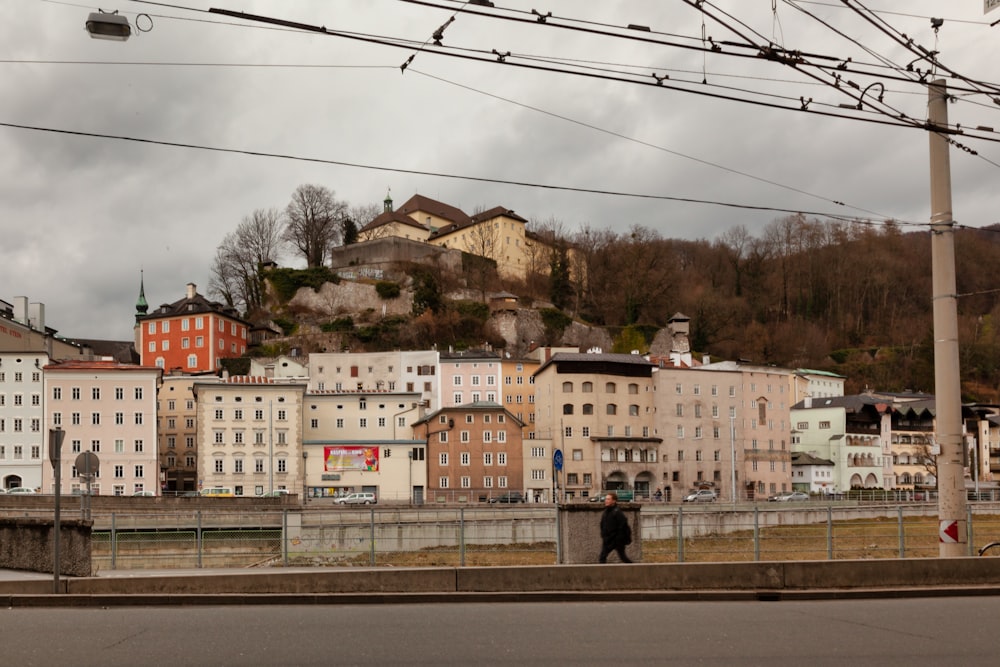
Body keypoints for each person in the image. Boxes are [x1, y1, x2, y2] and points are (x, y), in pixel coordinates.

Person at [598, 492, 632, 563]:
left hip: (616, 540)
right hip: (608, 539)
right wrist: (604, 535)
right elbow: (603, 524)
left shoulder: (617, 512)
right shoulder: (606, 512)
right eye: (606, 499)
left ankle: (636, 570)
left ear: (614, 501)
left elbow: (622, 526)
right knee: (603, 557)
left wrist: (618, 539)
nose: (606, 501)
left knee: (622, 557)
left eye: (608, 499)